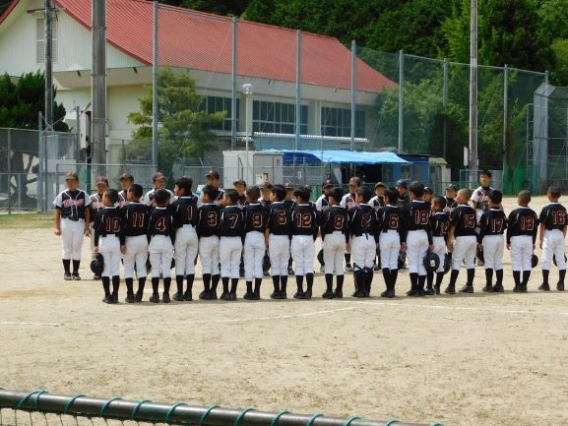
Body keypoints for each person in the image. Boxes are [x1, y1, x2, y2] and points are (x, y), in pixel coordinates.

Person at [53, 172, 91, 280]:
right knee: (66, 248)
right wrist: (57, 227)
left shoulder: (83, 194)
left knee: (77, 247)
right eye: (68, 181)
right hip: (66, 222)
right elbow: (57, 211)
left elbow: (87, 211)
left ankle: (75, 272)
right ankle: (66, 272)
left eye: (72, 180)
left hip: (79, 222)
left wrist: (87, 227)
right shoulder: (62, 194)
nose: (70, 183)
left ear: (77, 181)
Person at [93, 188, 126, 304]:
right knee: (115, 269)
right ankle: (115, 295)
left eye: (103, 197)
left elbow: (96, 231)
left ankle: (107, 295)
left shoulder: (100, 213)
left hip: (105, 241)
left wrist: (95, 245)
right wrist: (122, 244)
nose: (102, 199)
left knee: (105, 270)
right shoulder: (119, 212)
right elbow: (122, 230)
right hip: (116, 241)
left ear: (106, 199)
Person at [348, 186, 380, 298]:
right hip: (371, 239)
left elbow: (349, 226)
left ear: (361, 197)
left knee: (359, 265)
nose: (355, 198)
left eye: (356, 196)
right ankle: (367, 290)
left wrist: (348, 240)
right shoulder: (373, 211)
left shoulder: (353, 210)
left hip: (359, 239)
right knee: (369, 265)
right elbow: (377, 227)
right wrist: (376, 241)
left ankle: (360, 290)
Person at [171, 176, 199, 301]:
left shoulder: (177, 203)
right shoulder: (194, 201)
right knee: (190, 264)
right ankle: (189, 292)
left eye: (176, 187)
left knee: (180, 262)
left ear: (182, 190)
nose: (174, 189)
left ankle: (180, 292)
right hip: (193, 232)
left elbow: (174, 221)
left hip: (181, 232)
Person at [445, 188, 477, 294]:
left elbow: (453, 226)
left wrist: (450, 239)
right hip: (473, 238)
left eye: (457, 195)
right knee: (470, 262)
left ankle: (451, 286)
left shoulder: (458, 210)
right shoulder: (472, 210)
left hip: (462, 238)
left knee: (456, 260)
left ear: (462, 197)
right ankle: (469, 285)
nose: (456, 196)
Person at [506, 190, 539, 293]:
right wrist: (533, 241)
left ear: (519, 200)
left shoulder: (515, 212)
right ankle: (524, 285)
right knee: (526, 263)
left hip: (516, 239)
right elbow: (535, 228)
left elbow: (510, 228)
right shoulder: (533, 213)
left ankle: (517, 285)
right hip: (528, 238)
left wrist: (508, 241)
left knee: (516, 262)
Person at [404, 181, 433, 297]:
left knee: (413, 262)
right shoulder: (427, 206)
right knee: (422, 262)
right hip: (424, 235)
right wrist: (430, 241)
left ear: (411, 193)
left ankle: (414, 288)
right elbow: (429, 226)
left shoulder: (409, 206)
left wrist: (403, 239)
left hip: (413, 234)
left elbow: (406, 224)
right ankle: (421, 289)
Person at [122, 183, 150, 302]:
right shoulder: (146, 208)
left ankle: (130, 294)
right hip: (143, 239)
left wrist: (122, 242)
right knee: (141, 267)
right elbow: (149, 226)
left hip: (130, 239)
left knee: (128, 267)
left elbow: (122, 227)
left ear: (132, 194)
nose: (126, 194)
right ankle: (140, 293)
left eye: (128, 192)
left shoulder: (126, 208)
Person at [290, 186, 319, 299]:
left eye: (296, 197)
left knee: (299, 265)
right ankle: (309, 291)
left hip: (297, 238)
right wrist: (314, 237)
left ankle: (300, 290)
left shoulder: (294, 209)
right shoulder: (312, 209)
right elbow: (316, 225)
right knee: (308, 265)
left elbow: (291, 225)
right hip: (309, 237)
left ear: (299, 198)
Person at [320, 187, 349, 298]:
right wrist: (346, 240)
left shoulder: (327, 211)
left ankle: (329, 290)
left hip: (330, 237)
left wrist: (324, 239)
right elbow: (347, 227)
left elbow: (323, 227)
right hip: (341, 237)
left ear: (331, 198)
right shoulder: (345, 211)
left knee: (329, 265)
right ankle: (339, 290)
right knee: (339, 265)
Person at [147, 189, 175, 303]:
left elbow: (148, 229)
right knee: (166, 268)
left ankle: (155, 294)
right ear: (168, 200)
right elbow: (173, 229)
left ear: (154, 200)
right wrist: (172, 243)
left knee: (155, 268)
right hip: (167, 239)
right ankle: (166, 294)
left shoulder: (151, 213)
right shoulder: (170, 213)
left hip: (154, 240)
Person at [379, 187, 407, 298]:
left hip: (385, 235)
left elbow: (378, 225)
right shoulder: (400, 210)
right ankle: (392, 289)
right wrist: (403, 240)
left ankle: (389, 289)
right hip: (396, 236)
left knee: (385, 263)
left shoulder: (383, 210)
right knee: (393, 263)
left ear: (386, 198)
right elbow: (403, 227)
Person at [538, 185, 567, 291]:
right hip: (560, 234)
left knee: (546, 259)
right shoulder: (563, 209)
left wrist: (540, 239)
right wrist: (562, 237)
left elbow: (543, 225)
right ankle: (561, 283)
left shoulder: (546, 209)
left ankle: (545, 283)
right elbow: (565, 226)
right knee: (561, 260)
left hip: (549, 235)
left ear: (549, 195)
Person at [477, 190, 507, 293]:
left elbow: (482, 229)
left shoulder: (486, 214)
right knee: (498, 262)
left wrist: (479, 241)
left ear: (490, 200)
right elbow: (505, 226)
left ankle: (489, 285)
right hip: (500, 237)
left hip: (489, 238)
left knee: (489, 262)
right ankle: (499, 285)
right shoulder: (502, 214)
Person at [265, 184, 292, 299]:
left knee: (275, 266)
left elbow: (267, 227)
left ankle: (277, 291)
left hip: (274, 238)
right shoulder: (288, 208)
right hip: (285, 238)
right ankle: (284, 291)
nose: (270, 195)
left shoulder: (271, 208)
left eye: (271, 193)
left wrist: (266, 242)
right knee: (284, 266)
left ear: (274, 195)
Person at [218, 189, 245, 300]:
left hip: (225, 240)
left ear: (228, 199)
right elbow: (243, 227)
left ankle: (225, 292)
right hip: (237, 240)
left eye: (224, 197)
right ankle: (233, 293)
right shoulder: (240, 212)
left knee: (225, 266)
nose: (222, 200)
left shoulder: (223, 212)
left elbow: (219, 227)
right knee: (235, 266)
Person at [243, 185, 269, 300]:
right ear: (258, 196)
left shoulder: (246, 209)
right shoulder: (264, 208)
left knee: (248, 265)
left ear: (248, 196)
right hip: (260, 236)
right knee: (258, 264)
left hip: (249, 236)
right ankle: (257, 292)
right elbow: (267, 225)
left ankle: (249, 292)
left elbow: (243, 226)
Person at [196, 184, 222, 299]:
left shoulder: (202, 209)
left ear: (206, 195)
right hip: (216, 238)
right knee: (215, 265)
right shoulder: (219, 209)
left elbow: (199, 225)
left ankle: (207, 291)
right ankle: (213, 291)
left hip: (205, 239)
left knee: (206, 265)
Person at [428, 196, 450, 295]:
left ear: (437, 206)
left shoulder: (434, 217)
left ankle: (429, 287)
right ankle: (437, 287)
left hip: (435, 240)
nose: (431, 205)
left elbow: (431, 231)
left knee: (430, 264)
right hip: (442, 241)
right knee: (440, 265)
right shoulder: (446, 216)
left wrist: (430, 243)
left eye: (432, 204)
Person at [89, 176, 109, 279]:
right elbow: (88, 212)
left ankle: (106, 270)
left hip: (108, 228)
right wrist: (87, 226)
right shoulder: (92, 198)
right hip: (95, 228)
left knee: (106, 249)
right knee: (95, 250)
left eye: (103, 185)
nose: (101, 188)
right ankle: (97, 271)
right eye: (99, 186)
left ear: (107, 186)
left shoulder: (111, 197)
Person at [341, 176, 361, 272]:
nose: (351, 187)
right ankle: (348, 263)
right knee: (347, 244)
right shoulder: (346, 198)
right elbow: (341, 211)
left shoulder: (361, 197)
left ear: (358, 186)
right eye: (350, 185)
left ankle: (357, 262)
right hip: (348, 224)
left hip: (359, 225)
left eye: (353, 185)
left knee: (358, 245)